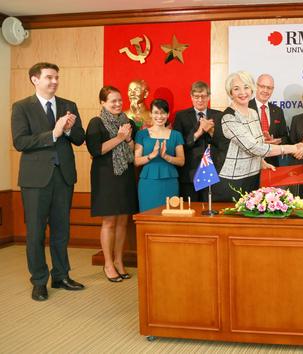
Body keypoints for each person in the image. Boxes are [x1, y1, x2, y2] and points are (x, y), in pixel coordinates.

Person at [11, 62, 86, 301]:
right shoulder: (22, 107)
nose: (54, 81)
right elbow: (20, 142)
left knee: (61, 230)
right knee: (35, 233)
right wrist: (53, 133)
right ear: (35, 79)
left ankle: (61, 276)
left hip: (63, 177)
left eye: (56, 77)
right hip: (35, 180)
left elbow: (80, 138)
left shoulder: (68, 105)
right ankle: (39, 281)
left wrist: (68, 130)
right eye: (49, 77)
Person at [212, 71, 303, 202]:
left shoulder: (253, 113)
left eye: (246, 87)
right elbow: (254, 147)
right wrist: (293, 148)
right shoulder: (228, 118)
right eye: (236, 89)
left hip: (253, 178)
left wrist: (261, 162)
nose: (242, 92)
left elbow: (256, 143)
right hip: (232, 181)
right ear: (230, 92)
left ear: (251, 89)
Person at [85, 86, 138, 282]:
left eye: (119, 100)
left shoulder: (128, 122)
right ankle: (108, 263)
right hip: (105, 177)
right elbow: (96, 150)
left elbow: (133, 151)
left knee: (123, 221)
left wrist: (129, 138)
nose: (117, 104)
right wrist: (119, 138)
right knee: (109, 222)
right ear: (102, 103)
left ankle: (119, 261)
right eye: (112, 101)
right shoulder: (96, 123)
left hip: (125, 176)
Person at [173, 81, 223, 201]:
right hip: (189, 173)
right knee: (190, 210)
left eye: (203, 96)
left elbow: (223, 143)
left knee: (210, 209)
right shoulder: (181, 116)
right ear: (191, 97)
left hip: (212, 171)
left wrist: (211, 131)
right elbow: (178, 145)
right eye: (196, 97)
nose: (200, 100)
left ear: (209, 97)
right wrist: (198, 132)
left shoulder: (219, 116)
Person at [134, 99, 185, 212]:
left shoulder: (176, 135)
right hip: (148, 182)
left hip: (170, 181)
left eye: (163, 113)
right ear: (151, 114)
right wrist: (150, 156)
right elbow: (136, 161)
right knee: (147, 216)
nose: (160, 116)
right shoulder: (141, 134)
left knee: (170, 216)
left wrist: (166, 156)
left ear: (168, 114)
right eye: (156, 112)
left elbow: (181, 161)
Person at [248, 73, 289, 166]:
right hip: (249, 163)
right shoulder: (246, 107)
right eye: (262, 86)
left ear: (273, 90)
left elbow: (285, 138)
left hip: (272, 163)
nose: (266, 90)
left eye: (269, 88)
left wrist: (276, 141)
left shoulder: (278, 111)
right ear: (256, 87)